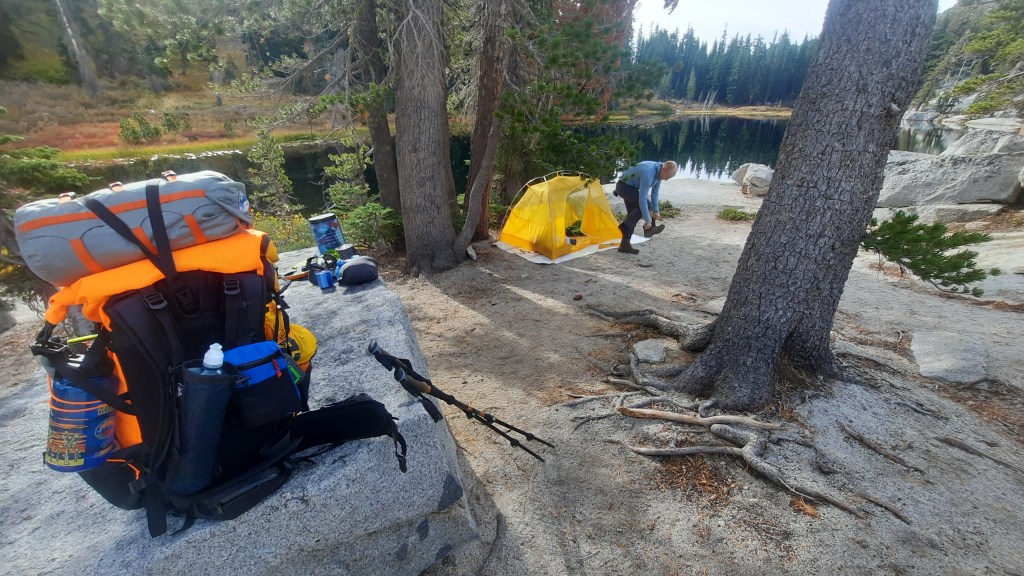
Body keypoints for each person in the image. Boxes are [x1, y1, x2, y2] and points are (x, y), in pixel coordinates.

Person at [614, 160, 678, 254]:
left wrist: (656, 210)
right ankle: (627, 227)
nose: (667, 179)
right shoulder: (648, 173)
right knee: (646, 205)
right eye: (668, 177)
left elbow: (655, 193)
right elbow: (642, 199)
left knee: (632, 217)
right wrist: (647, 220)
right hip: (623, 187)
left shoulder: (659, 173)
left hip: (631, 187)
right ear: (664, 169)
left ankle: (624, 245)